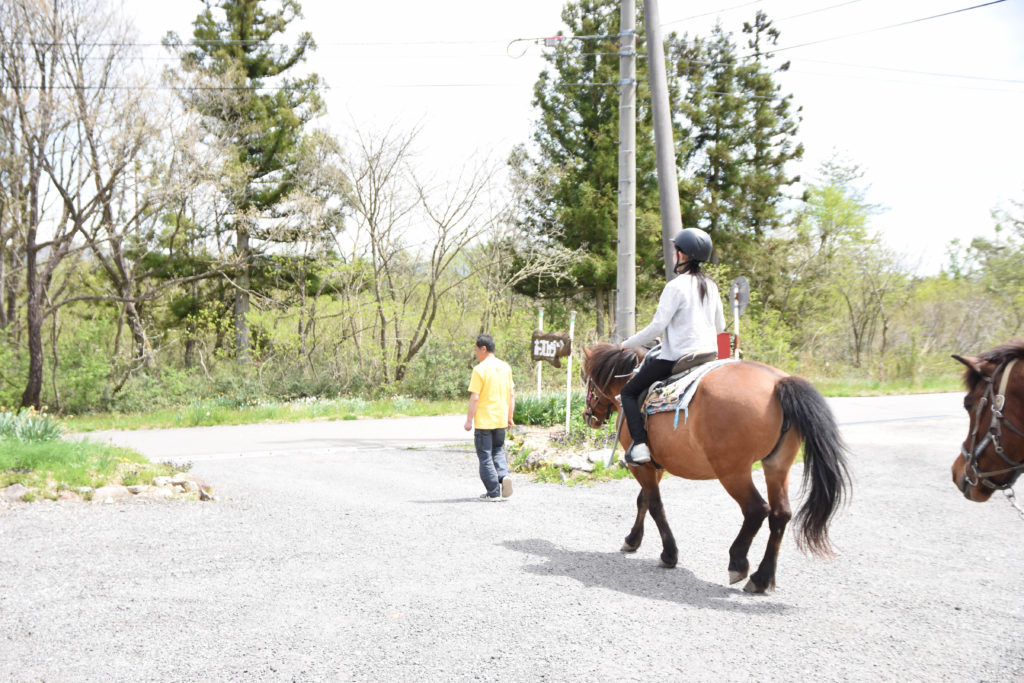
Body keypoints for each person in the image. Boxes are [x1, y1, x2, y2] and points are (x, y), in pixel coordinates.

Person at [620, 228, 725, 465]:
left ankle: (639, 446)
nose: (674, 254)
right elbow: (721, 326)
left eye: (676, 250)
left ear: (683, 254)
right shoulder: (712, 286)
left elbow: (657, 327)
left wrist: (626, 344)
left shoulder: (675, 286)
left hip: (677, 358)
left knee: (628, 392)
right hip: (708, 356)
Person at [464, 334, 516, 501]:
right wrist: (510, 417)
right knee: (498, 451)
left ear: (483, 349)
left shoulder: (479, 369)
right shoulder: (505, 368)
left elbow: (475, 397)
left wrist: (469, 420)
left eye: (476, 349)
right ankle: (504, 476)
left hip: (485, 421)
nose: (476, 353)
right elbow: (511, 395)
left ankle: (493, 492)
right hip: (500, 418)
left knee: (485, 455)